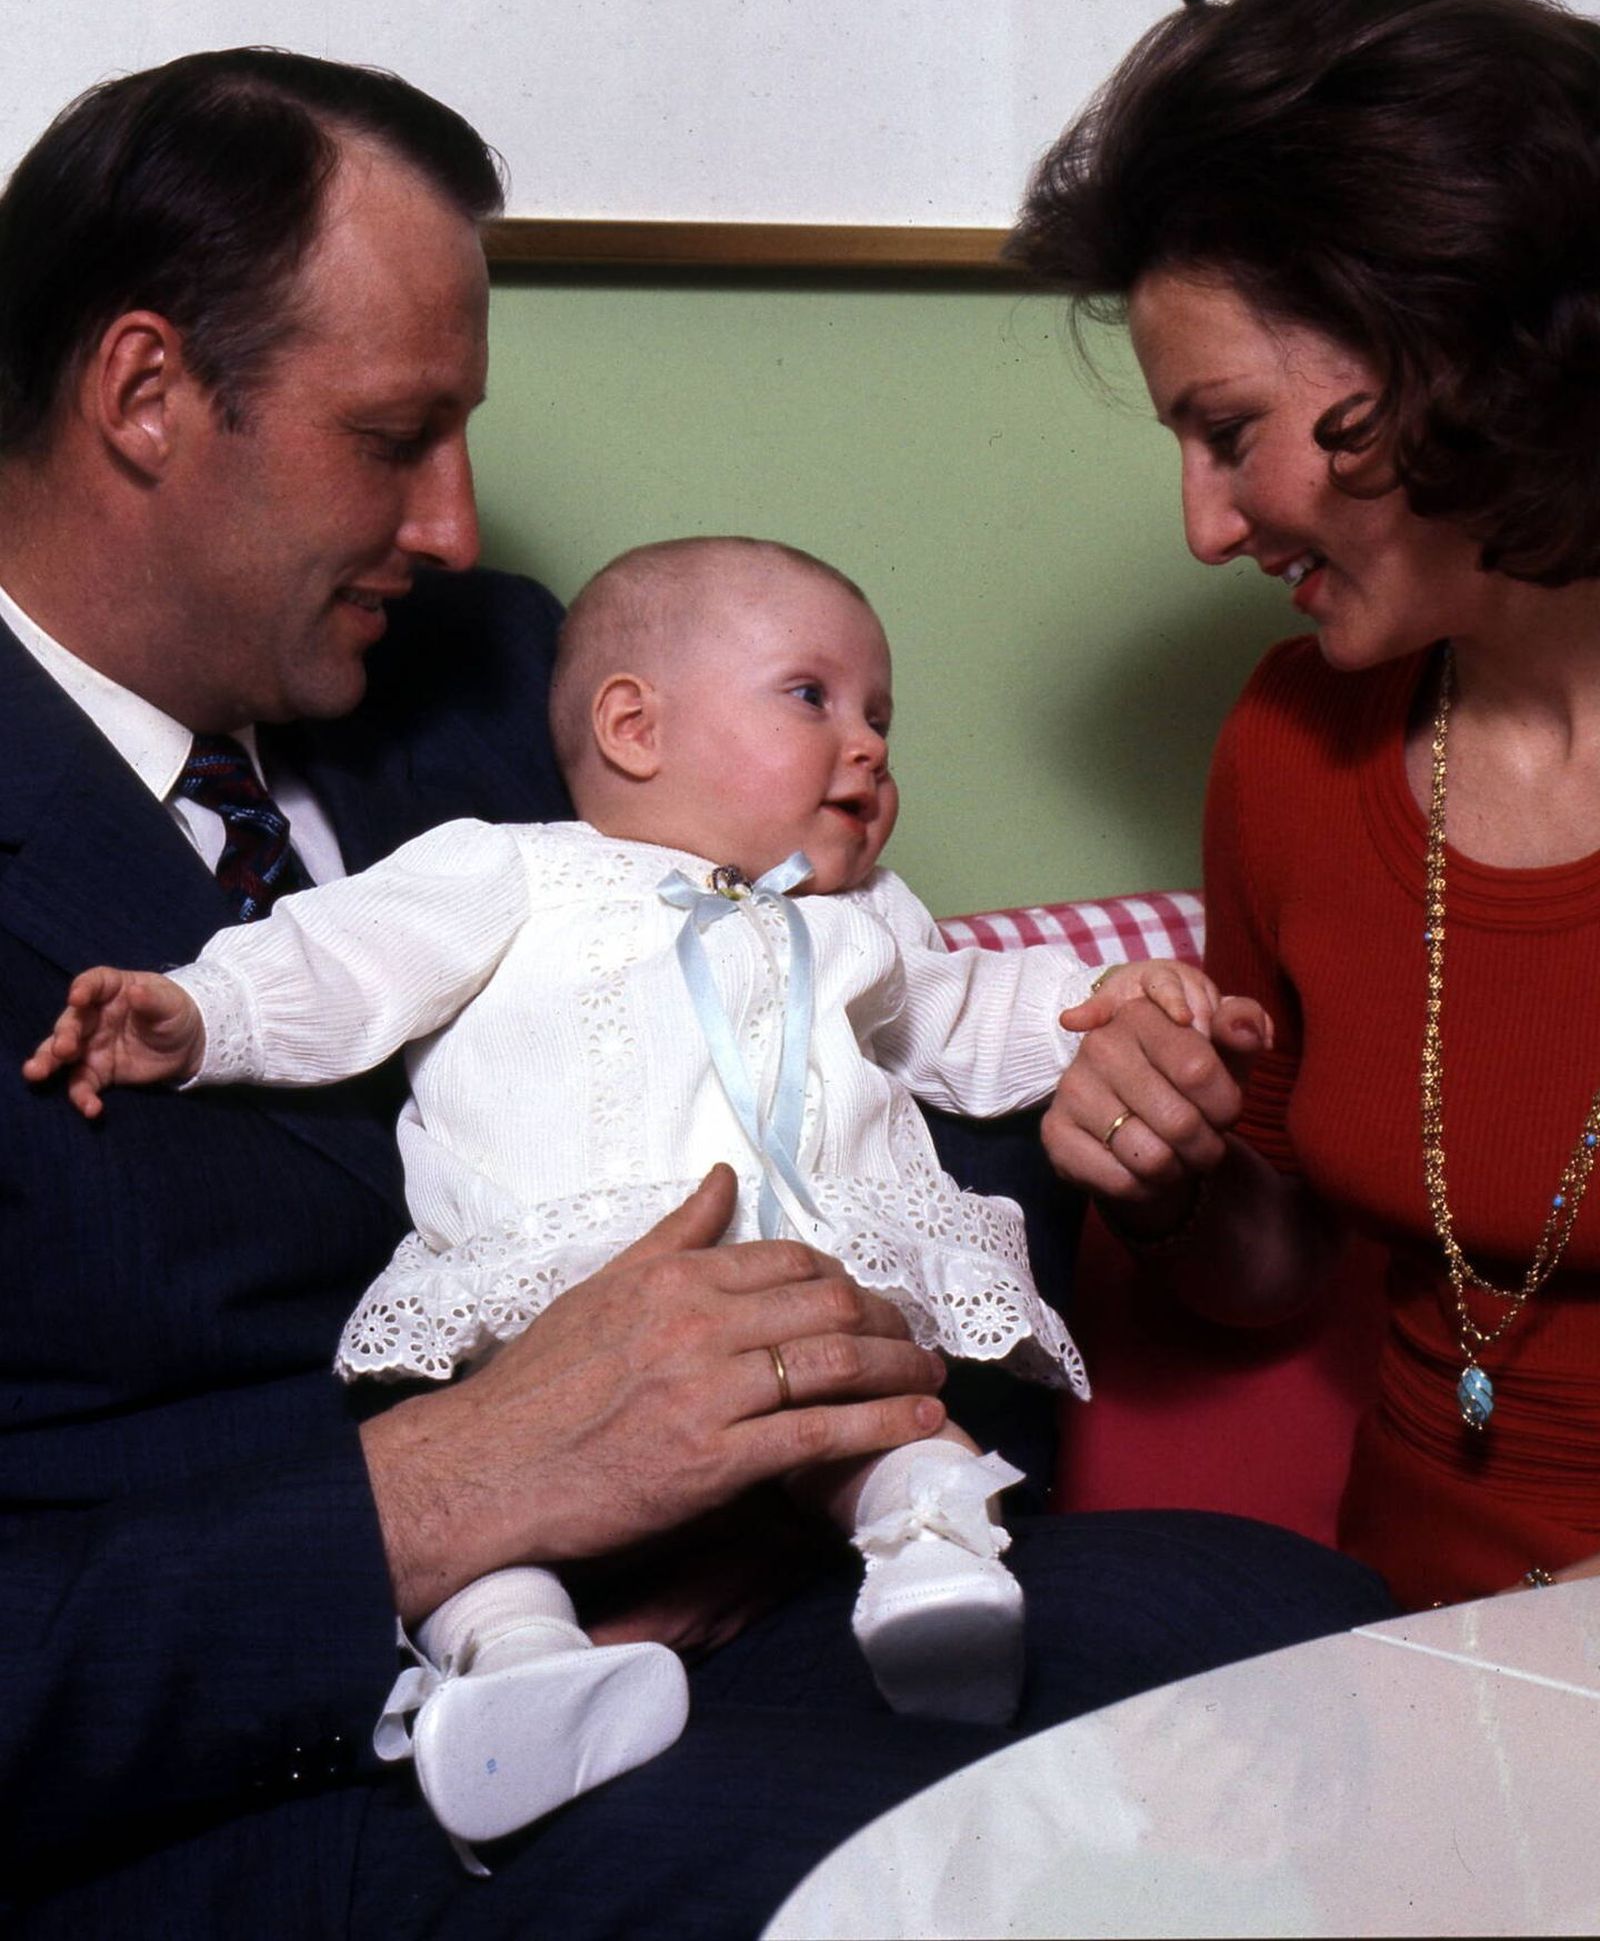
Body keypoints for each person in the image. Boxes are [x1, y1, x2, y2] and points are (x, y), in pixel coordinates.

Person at [0, 45, 1391, 1939]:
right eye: (393, 437)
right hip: (274, 1764)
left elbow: (850, 1033)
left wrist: (1072, 1127)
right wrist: (454, 1495)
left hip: (785, 1585)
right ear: (147, 393)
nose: (458, 529)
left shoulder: (498, 678)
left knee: (1332, 1676)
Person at [28, 530, 1238, 1845]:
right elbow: (342, 959)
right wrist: (197, 1011)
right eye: (813, 697)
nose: (873, 743)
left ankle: (933, 1578)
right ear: (632, 724)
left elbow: (966, 1015)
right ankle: (523, 1673)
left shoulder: (866, 914)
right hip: (564, 1303)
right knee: (496, 1553)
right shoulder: (515, 868)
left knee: (888, 1422)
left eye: (881, 712)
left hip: (801, 1289)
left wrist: (1102, 1008)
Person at [1012, 0, 1600, 1614]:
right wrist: (1180, 1165)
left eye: (1230, 429)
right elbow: (1269, 1279)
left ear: (1448, 350)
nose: (1206, 525)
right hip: (1404, 1660)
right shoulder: (1293, 739)